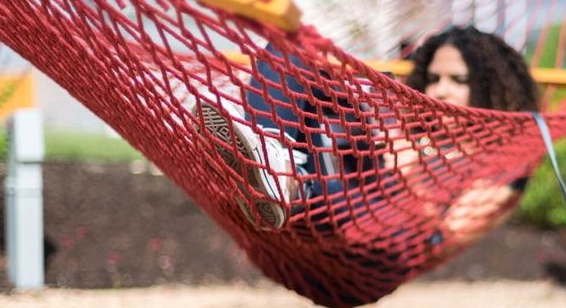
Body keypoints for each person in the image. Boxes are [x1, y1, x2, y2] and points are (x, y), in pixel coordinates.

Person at [195, 26, 539, 251]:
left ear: (491, 89)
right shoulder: (414, 126)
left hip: (384, 243)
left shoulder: (504, 165)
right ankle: (273, 161)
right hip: (330, 201)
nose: (440, 90)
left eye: (458, 80)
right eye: (433, 78)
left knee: (350, 160)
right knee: (294, 44)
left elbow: (445, 240)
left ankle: (278, 175)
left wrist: (410, 175)